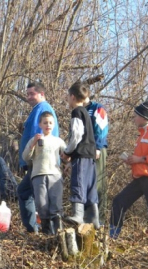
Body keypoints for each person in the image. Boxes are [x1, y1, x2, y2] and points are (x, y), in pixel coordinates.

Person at [110, 101, 148, 258]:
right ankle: (111, 239)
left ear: (145, 116)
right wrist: (132, 160)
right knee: (119, 202)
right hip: (140, 178)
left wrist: (139, 159)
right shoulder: (142, 134)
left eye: (137, 115)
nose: (134, 117)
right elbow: (142, 158)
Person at [17, 82, 59, 233]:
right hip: (39, 163)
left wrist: (30, 160)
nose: (29, 97)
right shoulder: (38, 110)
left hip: (40, 163)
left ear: (41, 94)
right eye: (27, 94)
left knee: (34, 195)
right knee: (32, 194)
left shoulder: (42, 109)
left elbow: (38, 136)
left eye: (32, 94)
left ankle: (44, 230)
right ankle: (39, 228)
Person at [23, 112, 67, 234]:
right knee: (42, 204)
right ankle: (47, 233)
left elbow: (67, 156)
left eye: (50, 122)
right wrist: (33, 144)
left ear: (54, 125)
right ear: (40, 124)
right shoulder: (35, 139)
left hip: (55, 175)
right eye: (45, 122)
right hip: (38, 175)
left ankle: (59, 233)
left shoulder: (58, 141)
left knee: (56, 205)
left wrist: (68, 162)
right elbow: (26, 157)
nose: (48, 125)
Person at [63, 82, 99, 228]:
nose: (67, 99)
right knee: (90, 186)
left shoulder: (77, 112)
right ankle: (93, 219)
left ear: (72, 96)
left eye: (67, 96)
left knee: (78, 182)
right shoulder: (86, 112)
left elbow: (77, 135)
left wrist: (68, 151)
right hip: (90, 155)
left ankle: (78, 215)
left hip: (82, 155)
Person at [84, 92, 109, 224]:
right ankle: (87, 220)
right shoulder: (79, 110)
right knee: (85, 185)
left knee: (97, 184)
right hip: (83, 152)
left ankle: (100, 221)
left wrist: (98, 147)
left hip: (96, 150)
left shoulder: (97, 108)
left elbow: (102, 129)